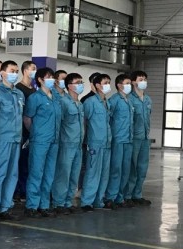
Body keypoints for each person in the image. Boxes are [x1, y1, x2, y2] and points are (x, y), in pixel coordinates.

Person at [0, 61, 24, 222]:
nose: (15, 74)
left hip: (15, 139)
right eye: (11, 71)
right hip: (0, 139)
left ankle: (5, 207)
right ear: (2, 73)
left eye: (16, 71)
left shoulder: (19, 94)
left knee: (12, 174)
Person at [24, 68, 62, 218]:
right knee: (36, 173)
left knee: (49, 174)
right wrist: (36, 133)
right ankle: (32, 205)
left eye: (53, 77)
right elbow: (27, 118)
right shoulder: (35, 98)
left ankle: (44, 205)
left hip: (54, 140)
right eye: (48, 77)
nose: (52, 79)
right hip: (40, 141)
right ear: (40, 79)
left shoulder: (56, 97)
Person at [52, 73, 85, 214]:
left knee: (74, 175)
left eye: (81, 82)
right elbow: (58, 124)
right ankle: (59, 203)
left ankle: (68, 201)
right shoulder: (63, 102)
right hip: (66, 144)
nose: (81, 85)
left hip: (78, 144)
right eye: (78, 82)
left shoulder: (80, 104)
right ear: (69, 86)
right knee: (63, 174)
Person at [80, 73, 112, 211]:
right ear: (97, 85)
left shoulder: (106, 102)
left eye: (109, 82)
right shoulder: (90, 102)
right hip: (94, 143)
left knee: (104, 174)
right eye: (105, 83)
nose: (108, 85)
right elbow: (83, 121)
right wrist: (84, 140)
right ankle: (87, 202)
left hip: (106, 143)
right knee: (92, 172)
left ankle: (99, 201)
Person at [105, 74, 134, 208]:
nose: (129, 86)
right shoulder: (114, 100)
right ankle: (110, 196)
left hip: (128, 139)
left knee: (125, 170)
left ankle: (120, 197)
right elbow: (108, 119)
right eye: (127, 83)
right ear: (119, 85)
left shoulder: (129, 100)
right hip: (117, 138)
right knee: (116, 169)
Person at [127, 70, 152, 205]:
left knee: (142, 168)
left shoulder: (148, 99)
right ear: (133, 82)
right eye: (140, 79)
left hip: (145, 138)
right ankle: (128, 195)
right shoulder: (129, 99)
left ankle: (137, 194)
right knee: (132, 168)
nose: (143, 82)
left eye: (145, 79)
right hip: (133, 138)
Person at [15, 60, 37, 200]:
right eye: (32, 69)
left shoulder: (34, 90)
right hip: (22, 132)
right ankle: (18, 191)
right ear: (25, 70)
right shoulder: (19, 89)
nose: (34, 71)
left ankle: (25, 190)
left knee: (28, 164)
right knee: (20, 164)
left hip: (32, 133)